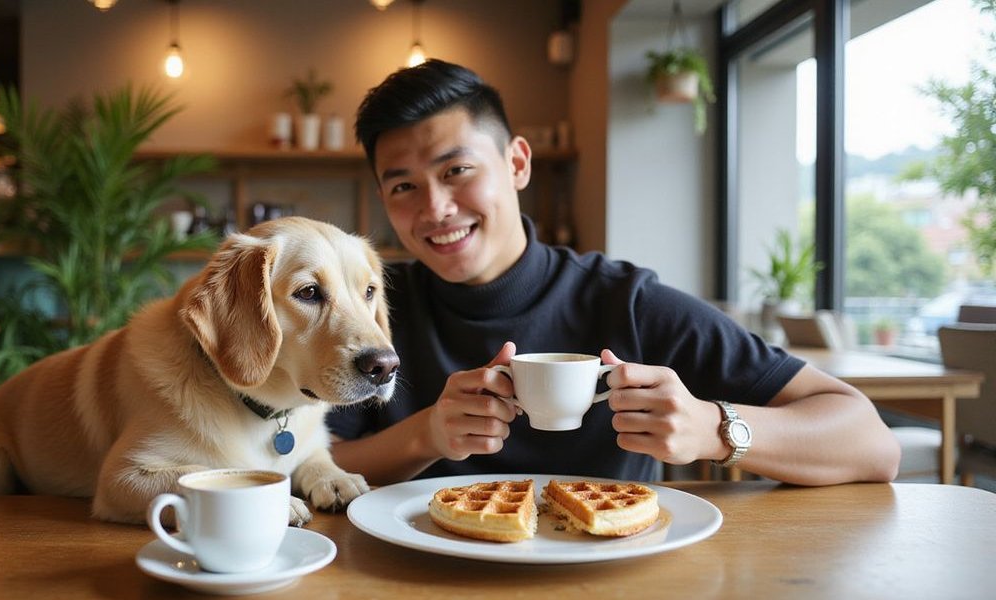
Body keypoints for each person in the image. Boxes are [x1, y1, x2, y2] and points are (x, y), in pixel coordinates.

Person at [326, 59, 901, 487]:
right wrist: (428, 434)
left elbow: (871, 442)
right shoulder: (366, 308)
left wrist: (710, 428)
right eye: (404, 186)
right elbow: (309, 464)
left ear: (517, 163)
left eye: (457, 171)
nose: (435, 208)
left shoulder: (626, 302)